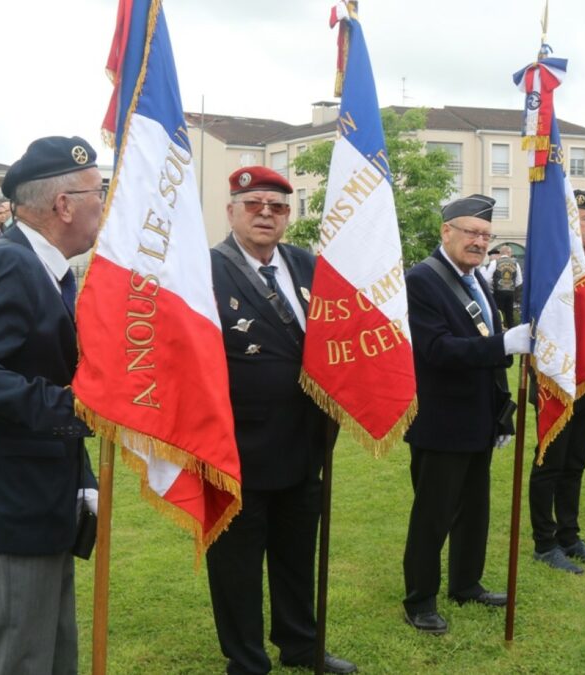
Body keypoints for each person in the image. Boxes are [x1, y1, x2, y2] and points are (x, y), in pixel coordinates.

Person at [0, 136, 103, 674]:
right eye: (99, 192)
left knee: (53, 657)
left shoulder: (51, 269)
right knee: (19, 660)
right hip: (8, 509)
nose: (105, 203)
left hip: (41, 502)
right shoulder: (9, 262)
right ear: (64, 204)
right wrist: (71, 408)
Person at [205, 166, 356, 675]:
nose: (266, 214)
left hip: (305, 442)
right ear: (231, 212)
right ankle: (246, 660)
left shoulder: (307, 265)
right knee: (237, 566)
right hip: (236, 447)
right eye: (253, 205)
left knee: (296, 557)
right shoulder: (204, 271)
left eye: (278, 207)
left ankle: (301, 646)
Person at [402, 194, 531, 634]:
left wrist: (502, 414)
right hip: (440, 421)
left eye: (485, 235)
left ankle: (465, 583)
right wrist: (503, 345)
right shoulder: (422, 280)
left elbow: (484, 351)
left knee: (475, 509)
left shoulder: (478, 279)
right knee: (433, 514)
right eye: (471, 232)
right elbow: (436, 350)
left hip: (478, 417)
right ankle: (420, 599)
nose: (478, 242)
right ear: (446, 232)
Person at [529, 190, 585, 574]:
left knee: (575, 463)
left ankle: (569, 534)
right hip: (558, 378)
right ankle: (545, 543)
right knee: (550, 463)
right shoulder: (556, 265)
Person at [491, 244, 522, 327]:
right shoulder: (516, 263)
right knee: (509, 315)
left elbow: (487, 278)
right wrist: (511, 286)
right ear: (508, 252)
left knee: (498, 313)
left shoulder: (495, 262)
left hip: (498, 292)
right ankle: (511, 332)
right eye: (511, 252)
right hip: (510, 292)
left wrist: (492, 288)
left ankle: (498, 332)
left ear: (501, 253)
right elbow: (519, 281)